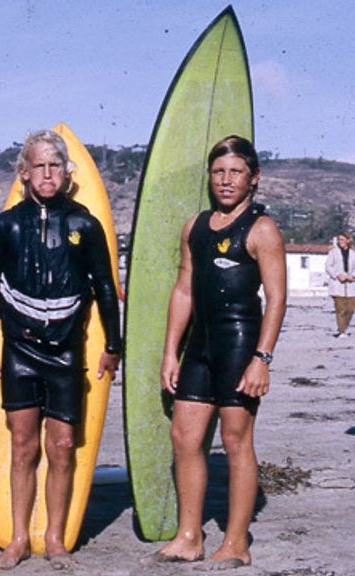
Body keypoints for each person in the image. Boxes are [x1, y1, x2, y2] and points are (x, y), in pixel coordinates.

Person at [0, 130, 122, 570]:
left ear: (67, 174)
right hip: (20, 347)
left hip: (66, 350)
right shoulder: (6, 225)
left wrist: (114, 345)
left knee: (61, 446)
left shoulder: (84, 224)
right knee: (22, 445)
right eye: (39, 166)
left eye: (55, 166)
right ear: (23, 172)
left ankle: (55, 536)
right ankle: (19, 538)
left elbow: (106, 291)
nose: (47, 174)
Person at [156, 135, 286, 568]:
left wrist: (261, 358)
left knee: (236, 442)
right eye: (218, 172)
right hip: (200, 347)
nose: (226, 181)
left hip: (239, 347)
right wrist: (170, 352)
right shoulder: (195, 227)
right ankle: (189, 535)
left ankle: (235, 543)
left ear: (254, 178)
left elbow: (277, 298)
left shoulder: (262, 229)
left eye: (235, 172)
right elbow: (183, 289)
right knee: (185, 437)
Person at [325, 232, 355, 338]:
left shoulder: (353, 253)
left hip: (351, 286)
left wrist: (353, 276)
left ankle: (343, 327)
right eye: (339, 240)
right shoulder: (333, 252)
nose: (340, 242)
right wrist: (337, 275)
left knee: (350, 309)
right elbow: (328, 267)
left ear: (348, 240)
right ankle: (342, 331)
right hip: (337, 285)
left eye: (342, 240)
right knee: (341, 309)